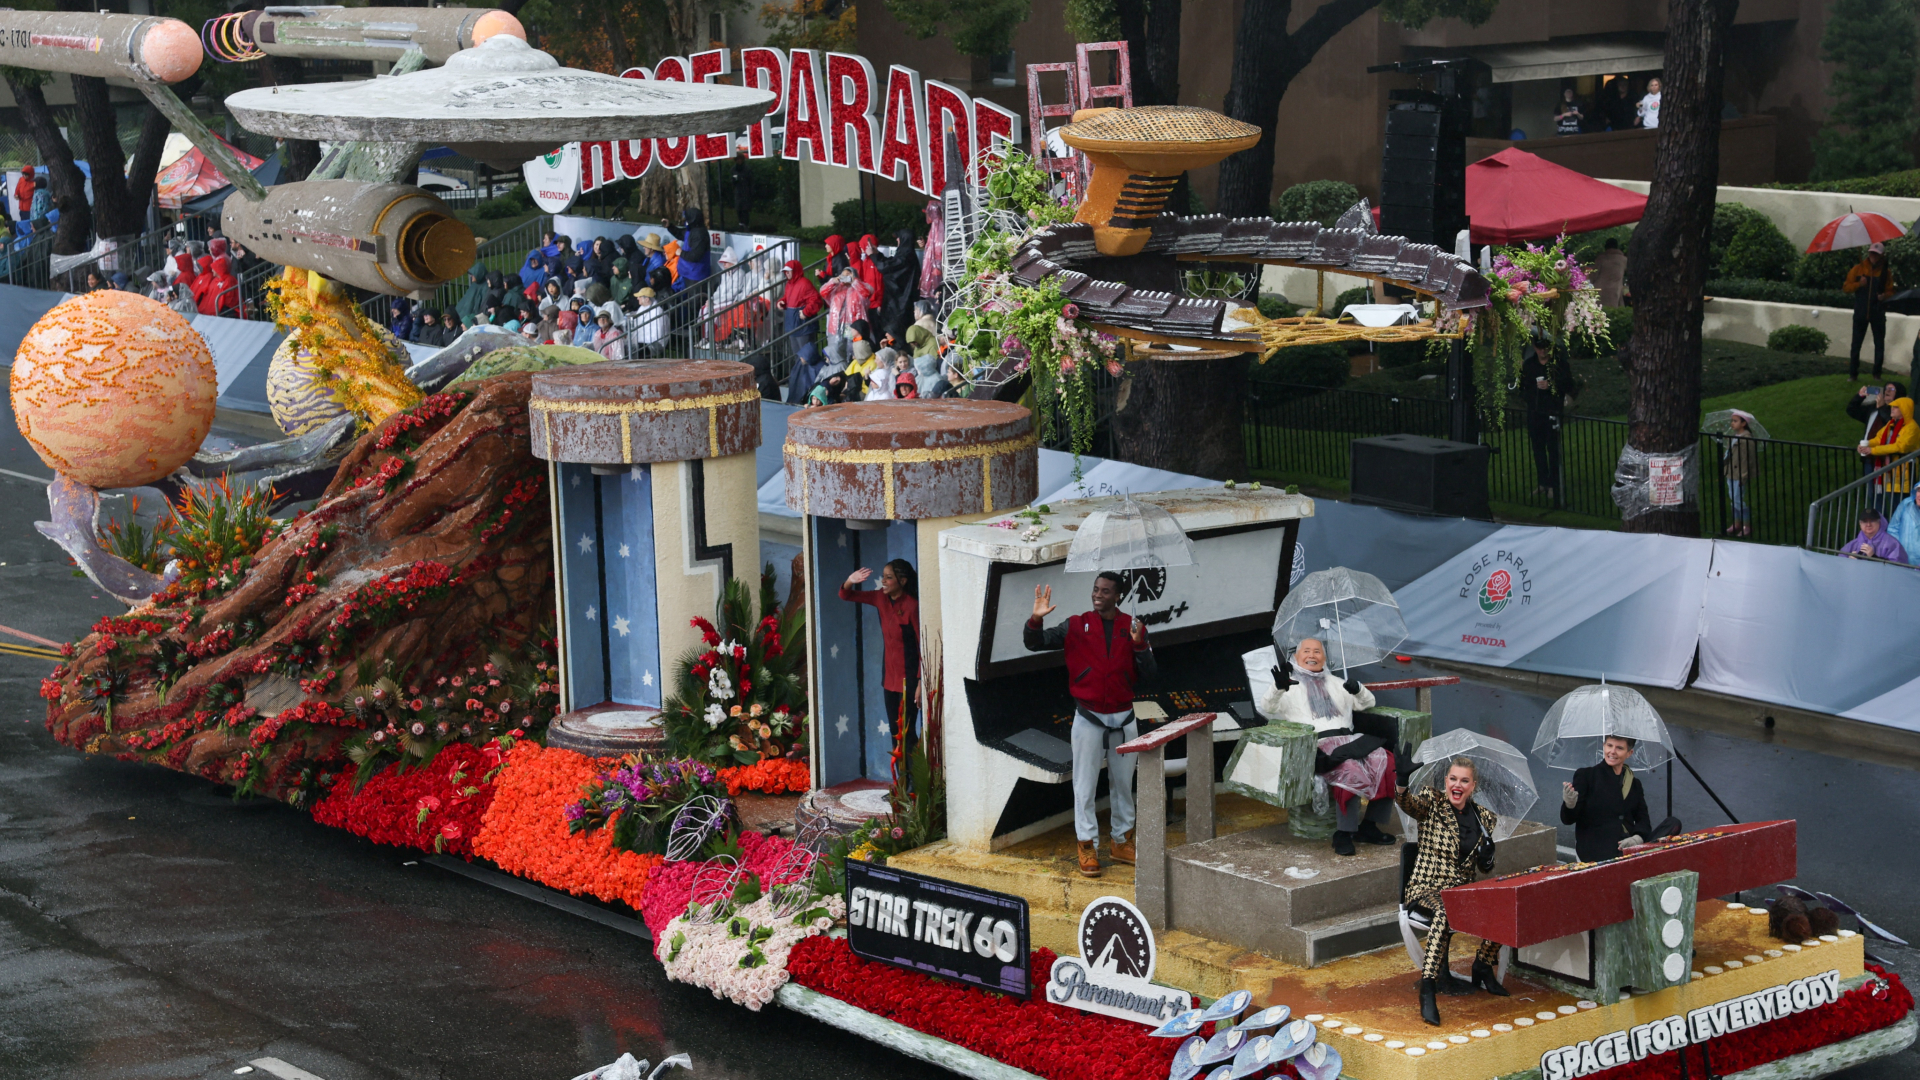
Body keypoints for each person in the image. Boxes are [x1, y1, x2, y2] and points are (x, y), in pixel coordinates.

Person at [1023, 574, 1158, 879]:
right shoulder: (1076, 624)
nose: (1098, 595)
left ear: (1118, 596)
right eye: (1096, 589)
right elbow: (1034, 642)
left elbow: (1150, 674)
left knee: (1123, 785)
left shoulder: (1133, 628)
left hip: (1124, 717)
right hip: (1089, 717)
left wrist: (1140, 644)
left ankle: (1122, 842)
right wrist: (1036, 619)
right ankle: (1087, 846)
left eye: (1105, 591)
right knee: (1084, 787)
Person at [1251, 637, 1392, 856]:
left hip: (1351, 740)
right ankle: (1343, 833)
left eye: (1317, 651)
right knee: (1350, 770)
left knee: (1389, 763)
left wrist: (1358, 689)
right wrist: (1278, 687)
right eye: (1306, 651)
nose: (1312, 655)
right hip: (1317, 746)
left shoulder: (1337, 682)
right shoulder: (1289, 684)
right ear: (1296, 656)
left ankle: (1369, 825)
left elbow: (1368, 703)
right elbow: (1267, 708)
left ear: (1324, 658)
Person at [1397, 757, 1504, 1026]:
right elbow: (1408, 803)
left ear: (1473, 786)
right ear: (1446, 782)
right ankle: (1428, 989)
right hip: (1427, 888)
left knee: (1504, 904)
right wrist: (1401, 783)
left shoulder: (1484, 819)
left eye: (1464, 780)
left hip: (1461, 892)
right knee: (1445, 912)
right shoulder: (1432, 802)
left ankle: (1483, 965)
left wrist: (1488, 857)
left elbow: (1484, 868)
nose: (1458, 785)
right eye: (1453, 779)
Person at [841, 559, 923, 745]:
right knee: (895, 732)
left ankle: (914, 765)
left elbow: (922, 646)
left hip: (910, 681)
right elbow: (845, 594)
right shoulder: (880, 598)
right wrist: (850, 580)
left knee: (907, 734)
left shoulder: (912, 606)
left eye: (889, 577)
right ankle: (898, 767)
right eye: (883, 576)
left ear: (903, 581)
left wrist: (920, 682)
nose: (883, 581)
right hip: (889, 680)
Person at [1560, 735, 1658, 863]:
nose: (1612, 751)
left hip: (1627, 847)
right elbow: (1568, 819)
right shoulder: (1587, 776)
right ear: (1604, 746)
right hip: (1595, 851)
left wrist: (1637, 838)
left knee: (1673, 824)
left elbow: (1643, 820)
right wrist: (1570, 804)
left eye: (1619, 748)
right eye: (1609, 746)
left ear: (1629, 753)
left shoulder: (1635, 784)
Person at [1520, 342, 1573, 501]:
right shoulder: (1529, 365)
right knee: (1538, 449)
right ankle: (1543, 482)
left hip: (1552, 411)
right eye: (1539, 348)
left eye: (1545, 348)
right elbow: (1523, 387)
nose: (1542, 351)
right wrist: (1531, 395)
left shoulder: (1559, 364)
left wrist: (1551, 386)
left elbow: (1569, 384)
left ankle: (1553, 484)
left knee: (1553, 449)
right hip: (1535, 412)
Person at [1844, 243, 1897, 379]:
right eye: (1872, 253)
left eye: (1876, 254)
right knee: (1856, 345)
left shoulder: (1886, 272)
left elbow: (1891, 291)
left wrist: (1884, 296)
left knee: (1879, 345)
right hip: (1860, 312)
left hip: (1878, 313)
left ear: (1881, 256)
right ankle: (1853, 374)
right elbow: (1846, 287)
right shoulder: (1858, 269)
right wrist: (1859, 284)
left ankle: (1877, 374)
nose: (1873, 256)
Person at [1862, 394, 1916, 515]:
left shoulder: (1911, 428)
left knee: (1902, 507)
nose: (1892, 409)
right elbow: (1878, 438)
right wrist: (1867, 444)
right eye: (1892, 407)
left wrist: (1873, 450)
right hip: (1891, 472)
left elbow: (1900, 447)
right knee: (1894, 507)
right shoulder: (1891, 424)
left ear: (1904, 410)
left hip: (1904, 474)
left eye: (1896, 407)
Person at [876, 227, 922, 341]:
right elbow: (891, 264)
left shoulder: (905, 256)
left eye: (898, 238)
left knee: (897, 335)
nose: (897, 240)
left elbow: (886, 267)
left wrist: (874, 256)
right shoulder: (907, 255)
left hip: (899, 303)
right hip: (902, 302)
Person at [1721, 409, 1759, 537]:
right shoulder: (1734, 437)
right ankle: (1737, 523)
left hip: (1739, 474)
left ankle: (1746, 525)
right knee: (1733, 498)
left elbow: (1747, 459)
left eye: (1735, 421)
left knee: (1738, 499)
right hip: (1731, 472)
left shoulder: (1746, 439)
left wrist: (1744, 475)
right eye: (1732, 421)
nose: (1732, 423)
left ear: (1743, 423)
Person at [1842, 507, 1908, 563]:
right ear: (1860, 524)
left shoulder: (1892, 544)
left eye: (1872, 521)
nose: (1868, 524)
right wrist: (1849, 562)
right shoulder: (1853, 544)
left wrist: (1874, 557)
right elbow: (1840, 564)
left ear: (1879, 522)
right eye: (1865, 521)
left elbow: (1899, 567)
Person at [629, 288, 667, 357]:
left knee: (638, 348)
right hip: (643, 342)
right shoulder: (642, 308)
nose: (637, 298)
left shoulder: (657, 311)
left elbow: (657, 334)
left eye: (640, 297)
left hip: (654, 344)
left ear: (646, 299)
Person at [1596, 238, 1627, 307]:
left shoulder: (1600, 259)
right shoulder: (1623, 260)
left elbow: (1593, 275)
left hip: (1599, 291)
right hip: (1615, 291)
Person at [730, 145, 755, 227]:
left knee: (745, 209)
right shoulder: (733, 169)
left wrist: (751, 191)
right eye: (738, 159)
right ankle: (740, 223)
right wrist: (735, 180)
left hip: (746, 191)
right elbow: (732, 181)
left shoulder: (747, 169)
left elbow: (751, 180)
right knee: (739, 208)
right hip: (738, 192)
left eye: (740, 159)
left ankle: (746, 224)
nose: (739, 161)